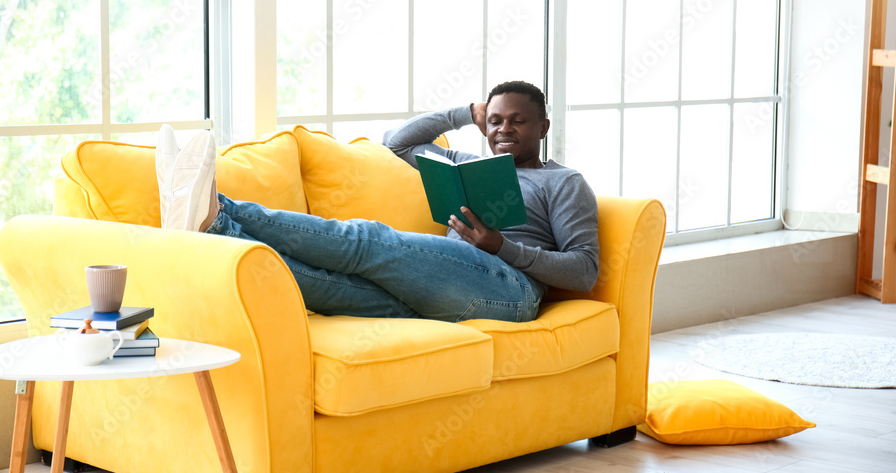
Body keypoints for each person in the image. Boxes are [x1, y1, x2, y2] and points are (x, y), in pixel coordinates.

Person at [155, 80, 599, 323]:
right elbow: (398, 144)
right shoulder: (462, 161)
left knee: (370, 240)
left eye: (518, 121)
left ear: (543, 126)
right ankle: (214, 226)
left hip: (511, 290)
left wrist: (501, 246)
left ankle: (217, 206)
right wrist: (466, 114)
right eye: (496, 121)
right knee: (323, 285)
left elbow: (584, 270)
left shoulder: (563, 182)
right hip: (443, 285)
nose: (504, 129)